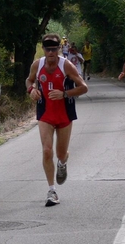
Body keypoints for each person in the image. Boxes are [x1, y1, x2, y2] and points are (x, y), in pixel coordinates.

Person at [26, 33, 88, 207]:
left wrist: (65, 93)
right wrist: (31, 89)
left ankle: (62, 162)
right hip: (45, 113)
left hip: (64, 114)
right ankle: (51, 190)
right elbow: (29, 80)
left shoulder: (66, 65)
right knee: (47, 151)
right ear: (44, 49)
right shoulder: (37, 65)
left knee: (60, 154)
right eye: (48, 49)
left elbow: (84, 87)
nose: (51, 52)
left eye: (54, 49)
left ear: (59, 49)